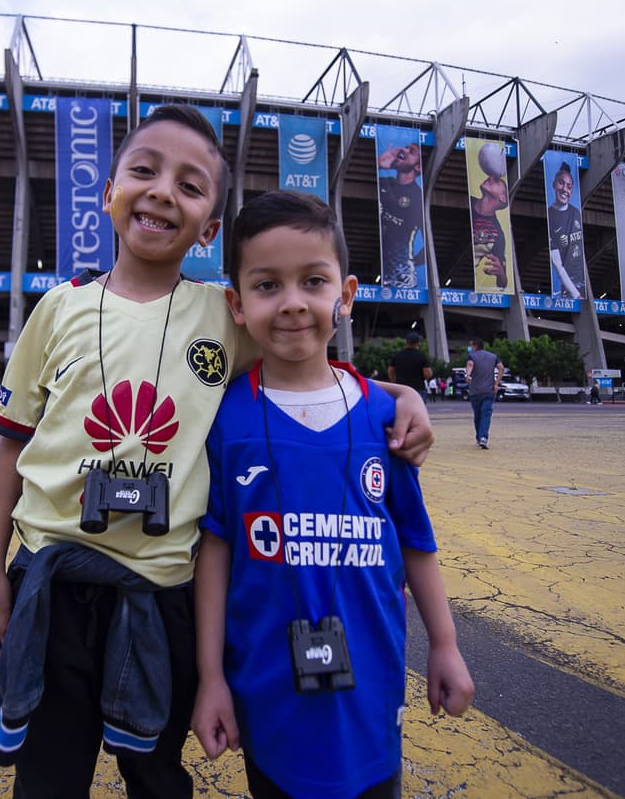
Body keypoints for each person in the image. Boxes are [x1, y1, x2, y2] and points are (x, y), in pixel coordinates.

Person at [0, 106, 434, 797]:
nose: (161, 192)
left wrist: (398, 395)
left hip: (163, 592)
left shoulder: (222, 312)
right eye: (144, 171)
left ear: (210, 228)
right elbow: (14, 447)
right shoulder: (57, 310)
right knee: (47, 775)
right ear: (109, 190)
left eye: (189, 185)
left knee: (156, 775)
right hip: (51, 581)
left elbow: (302, 357)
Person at [191, 189, 474, 798]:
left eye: (312, 282)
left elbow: (417, 543)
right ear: (237, 305)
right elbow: (213, 553)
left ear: (344, 296)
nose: (292, 303)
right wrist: (210, 676)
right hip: (266, 691)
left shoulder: (385, 418)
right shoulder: (226, 419)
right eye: (268, 286)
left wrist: (445, 646)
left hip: (371, 690)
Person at [377, 141, 425, 289]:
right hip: (378, 270)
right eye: (405, 147)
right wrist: (378, 164)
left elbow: (429, 245)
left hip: (401, 278)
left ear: (417, 167)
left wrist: (410, 263)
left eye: (411, 151)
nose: (404, 150)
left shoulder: (417, 197)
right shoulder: (383, 183)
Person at [469, 141, 510, 291]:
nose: (492, 178)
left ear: (503, 199)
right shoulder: (466, 202)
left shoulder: (497, 234)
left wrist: (500, 274)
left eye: (498, 181)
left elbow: (503, 283)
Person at [546, 162, 584, 299]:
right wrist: (575, 294)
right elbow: (557, 262)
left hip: (583, 282)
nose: (564, 189)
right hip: (570, 289)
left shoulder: (576, 212)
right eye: (561, 183)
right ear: (554, 185)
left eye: (569, 186)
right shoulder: (550, 216)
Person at [466, 336, 504, 449]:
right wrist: (496, 383)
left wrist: (468, 375)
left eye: (471, 346)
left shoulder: (472, 356)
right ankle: (483, 438)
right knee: (486, 415)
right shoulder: (493, 356)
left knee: (478, 415)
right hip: (489, 390)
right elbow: (501, 368)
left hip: (475, 391)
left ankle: (479, 438)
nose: (470, 348)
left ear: (475, 346)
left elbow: (470, 365)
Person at [389, 332, 432, 399]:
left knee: (401, 408)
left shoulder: (398, 355)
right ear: (418, 343)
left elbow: (390, 371)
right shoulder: (421, 356)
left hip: (401, 388)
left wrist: (394, 381)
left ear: (407, 342)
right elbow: (428, 374)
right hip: (418, 388)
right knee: (418, 408)